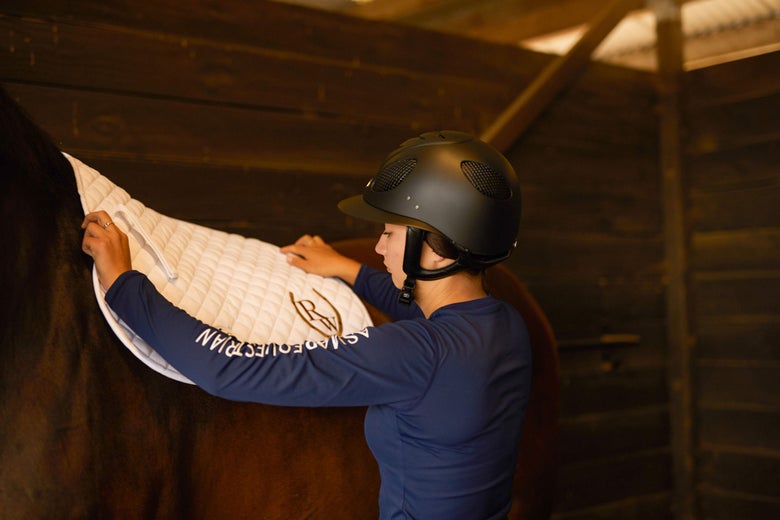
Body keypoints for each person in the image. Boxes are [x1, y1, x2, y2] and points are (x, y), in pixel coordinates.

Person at [82, 130, 531, 519]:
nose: (378, 246)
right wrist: (346, 269)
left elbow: (234, 368)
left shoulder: (413, 353)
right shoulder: (506, 326)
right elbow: (428, 311)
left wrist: (124, 282)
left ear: (435, 253)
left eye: (391, 234)